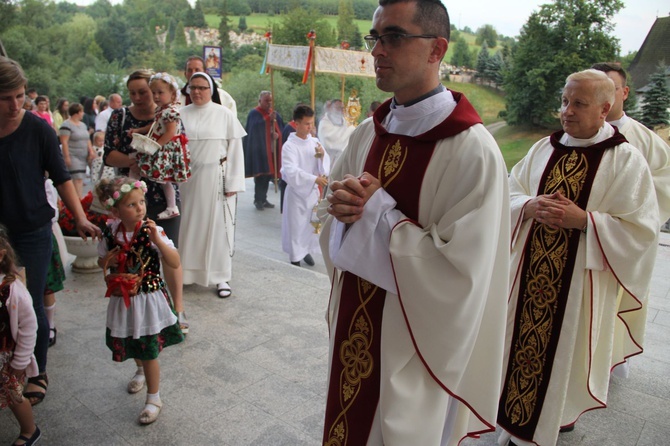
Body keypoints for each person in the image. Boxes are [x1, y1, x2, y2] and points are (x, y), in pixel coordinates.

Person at [319, 1, 510, 444]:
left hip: (415, 344)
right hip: (356, 326)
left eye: (394, 37)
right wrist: (341, 207)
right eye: (375, 37)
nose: (377, 51)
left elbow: (464, 276)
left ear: (436, 49)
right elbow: (332, 211)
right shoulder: (368, 131)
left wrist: (381, 216)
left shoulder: (472, 150)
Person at [497, 69, 660, 446]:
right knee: (518, 352)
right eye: (564, 101)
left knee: (562, 360)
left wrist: (585, 221)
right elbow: (509, 191)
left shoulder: (625, 161)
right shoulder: (543, 149)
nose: (567, 111)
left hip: (578, 289)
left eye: (579, 104)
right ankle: (512, 421)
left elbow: (642, 230)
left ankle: (551, 421)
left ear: (605, 108)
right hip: (527, 280)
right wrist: (527, 205)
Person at [0, 56, 102, 407]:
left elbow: (62, 178)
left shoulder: (38, 128)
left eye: (20, 95)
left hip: (31, 230)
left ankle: (36, 371)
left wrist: (80, 217)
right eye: (6, 97)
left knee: (29, 305)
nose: (15, 105)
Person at [103, 69, 188, 333]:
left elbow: (177, 149)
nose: (140, 97)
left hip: (162, 198)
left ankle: (178, 309)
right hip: (128, 199)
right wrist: (139, 160)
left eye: (146, 92)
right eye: (134, 93)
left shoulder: (168, 114)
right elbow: (109, 155)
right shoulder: (120, 117)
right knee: (133, 256)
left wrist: (152, 158)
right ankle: (140, 310)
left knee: (167, 251)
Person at [95, 177, 184, 425]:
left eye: (141, 202)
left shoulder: (151, 231)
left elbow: (174, 262)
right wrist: (107, 263)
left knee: (149, 347)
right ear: (115, 211)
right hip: (123, 299)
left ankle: (154, 397)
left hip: (148, 298)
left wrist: (158, 241)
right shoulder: (111, 232)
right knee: (133, 339)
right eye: (132, 204)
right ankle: (140, 369)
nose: (140, 208)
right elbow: (100, 260)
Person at [179, 72, 246, 299]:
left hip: (217, 179)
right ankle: (186, 274)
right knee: (188, 228)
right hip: (187, 182)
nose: (197, 92)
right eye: (193, 87)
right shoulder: (180, 115)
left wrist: (234, 182)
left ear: (211, 90)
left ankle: (220, 277)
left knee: (220, 228)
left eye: (202, 88)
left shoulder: (225, 115)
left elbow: (235, 150)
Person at [0, 226, 42, 446]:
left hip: (7, 360)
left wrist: (21, 361)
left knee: (15, 396)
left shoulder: (12, 289)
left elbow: (28, 327)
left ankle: (29, 429)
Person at [130, 72, 190, 220]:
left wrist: (157, 145)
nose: (156, 96)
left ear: (172, 93)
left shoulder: (171, 111)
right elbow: (155, 125)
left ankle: (171, 206)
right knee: (142, 168)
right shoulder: (162, 110)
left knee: (163, 179)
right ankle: (133, 191)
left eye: (160, 93)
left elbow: (170, 132)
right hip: (161, 146)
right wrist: (139, 131)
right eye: (154, 92)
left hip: (165, 148)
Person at [281, 104, 330, 267]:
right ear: (296, 124)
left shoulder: (314, 142)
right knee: (297, 226)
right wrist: (313, 179)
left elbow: (323, 166)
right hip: (297, 193)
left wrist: (323, 156)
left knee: (310, 226)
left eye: (312, 123)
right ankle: (295, 257)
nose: (311, 127)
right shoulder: (289, 146)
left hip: (312, 193)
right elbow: (290, 171)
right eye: (307, 124)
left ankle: (306, 251)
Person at [243, 90, 284, 210]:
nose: (269, 103)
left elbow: (280, 128)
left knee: (267, 176)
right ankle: (258, 200)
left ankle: (264, 199)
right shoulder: (254, 113)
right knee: (260, 176)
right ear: (260, 101)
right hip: (260, 150)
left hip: (271, 150)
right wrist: (267, 119)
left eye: (271, 101)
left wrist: (277, 134)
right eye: (266, 101)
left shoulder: (274, 114)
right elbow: (254, 128)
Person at [60, 102, 96, 198]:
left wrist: (91, 150)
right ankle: (78, 199)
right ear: (77, 112)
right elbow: (64, 142)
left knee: (81, 178)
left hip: (83, 155)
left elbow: (87, 138)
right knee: (78, 178)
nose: (83, 113)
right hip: (73, 154)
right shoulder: (66, 125)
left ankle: (78, 199)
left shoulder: (83, 125)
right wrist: (66, 157)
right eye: (82, 111)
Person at [317, 98, 355, 166]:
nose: (341, 110)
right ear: (331, 108)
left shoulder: (348, 125)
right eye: (338, 107)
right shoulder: (324, 124)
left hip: (344, 161)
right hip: (328, 160)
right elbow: (328, 142)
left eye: (342, 108)